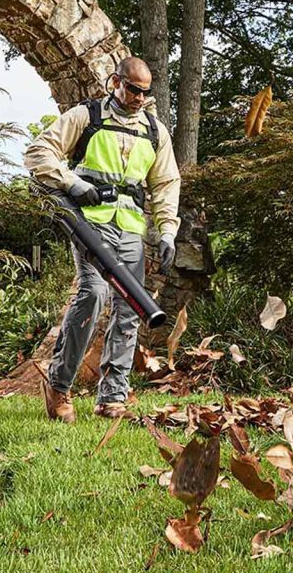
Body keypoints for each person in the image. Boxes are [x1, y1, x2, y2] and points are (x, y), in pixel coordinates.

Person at [24, 57, 181, 422]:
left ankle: (112, 398)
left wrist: (168, 231)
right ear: (116, 82)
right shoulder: (87, 117)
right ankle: (59, 386)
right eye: (133, 89)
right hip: (90, 225)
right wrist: (74, 184)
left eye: (145, 92)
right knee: (92, 295)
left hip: (130, 228)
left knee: (131, 309)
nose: (139, 98)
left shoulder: (155, 132)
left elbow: (165, 184)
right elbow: (38, 152)